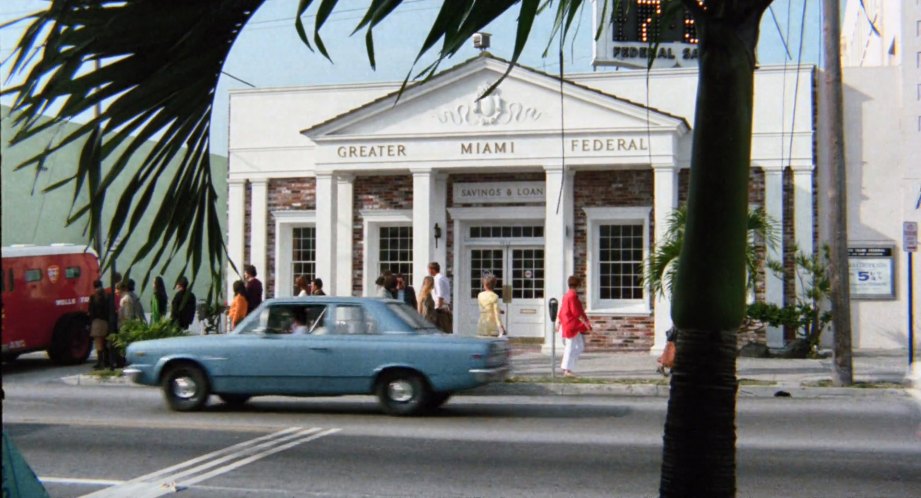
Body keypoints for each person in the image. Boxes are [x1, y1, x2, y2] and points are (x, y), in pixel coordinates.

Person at [557, 275, 591, 377]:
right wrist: (585, 323)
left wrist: (559, 322)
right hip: (571, 325)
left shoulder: (567, 295)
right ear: (578, 285)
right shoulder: (572, 296)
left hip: (568, 324)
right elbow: (576, 312)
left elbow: (563, 310)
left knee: (579, 346)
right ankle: (566, 369)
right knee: (571, 346)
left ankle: (568, 368)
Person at [88, 280, 109, 369]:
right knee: (105, 342)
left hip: (97, 322)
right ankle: (106, 361)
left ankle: (100, 362)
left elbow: (91, 311)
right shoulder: (107, 296)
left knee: (98, 343)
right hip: (105, 322)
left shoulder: (93, 297)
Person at [428, 261, 452, 333]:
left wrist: (438, 308)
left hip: (440, 307)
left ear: (432, 269)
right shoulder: (444, 277)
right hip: (445, 306)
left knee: (440, 330)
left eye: (429, 269)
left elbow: (440, 294)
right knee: (446, 328)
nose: (428, 271)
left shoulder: (437, 279)